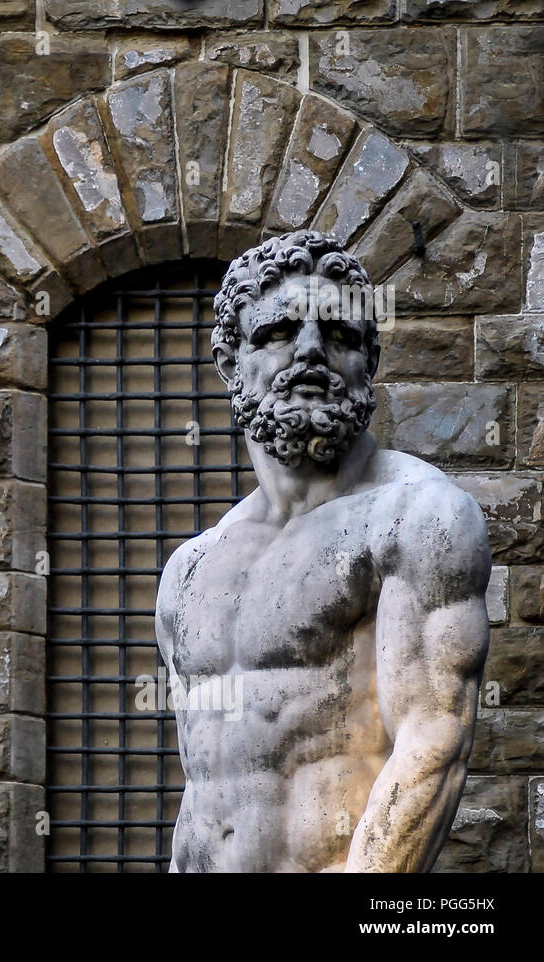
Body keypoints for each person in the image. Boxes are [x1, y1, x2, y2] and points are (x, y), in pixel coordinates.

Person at [155, 230, 490, 872]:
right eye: (279, 331)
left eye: (338, 335)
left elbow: (431, 745)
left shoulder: (418, 517)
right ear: (230, 361)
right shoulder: (190, 572)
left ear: (370, 360)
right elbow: (204, 791)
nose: (310, 349)